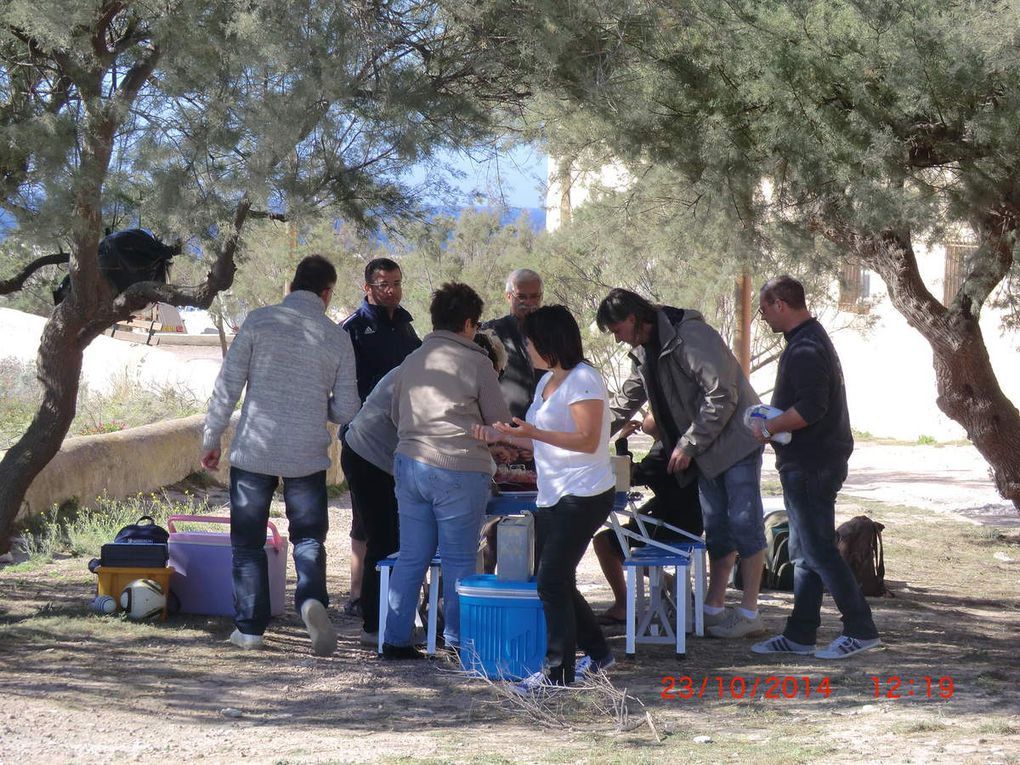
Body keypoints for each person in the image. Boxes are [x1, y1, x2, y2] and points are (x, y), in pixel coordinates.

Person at [201, 255, 359, 655]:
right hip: (306, 453)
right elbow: (346, 410)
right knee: (308, 538)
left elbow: (228, 384)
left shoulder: (258, 321)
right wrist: (310, 404)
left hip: (255, 450)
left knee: (248, 543)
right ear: (326, 293)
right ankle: (310, 602)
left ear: (291, 286)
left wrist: (211, 437)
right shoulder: (337, 337)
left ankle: (250, 630)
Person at [596, 288, 767, 639]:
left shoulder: (690, 335)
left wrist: (689, 443)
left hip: (735, 442)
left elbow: (722, 392)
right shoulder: (645, 351)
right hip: (707, 450)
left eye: (616, 329)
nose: (617, 338)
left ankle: (750, 611)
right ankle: (714, 608)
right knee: (717, 527)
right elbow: (627, 400)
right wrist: (590, 435)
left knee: (744, 522)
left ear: (633, 318)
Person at [475, 305, 617, 690]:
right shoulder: (546, 382)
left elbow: (588, 441)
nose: (527, 347)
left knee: (551, 581)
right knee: (556, 580)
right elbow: (534, 434)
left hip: (584, 493)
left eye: (532, 341)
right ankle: (599, 653)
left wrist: (534, 436)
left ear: (550, 341)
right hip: (552, 494)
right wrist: (502, 435)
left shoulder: (584, 380)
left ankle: (558, 672)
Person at [340, 330, 508, 647]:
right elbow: (450, 436)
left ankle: (397, 633)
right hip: (369, 453)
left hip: (398, 460)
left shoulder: (428, 364)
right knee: (386, 540)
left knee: (409, 552)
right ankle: (376, 626)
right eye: (497, 372)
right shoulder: (454, 370)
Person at [750, 276, 881, 659]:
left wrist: (768, 427)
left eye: (764, 310)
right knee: (803, 552)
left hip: (813, 465)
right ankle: (800, 635)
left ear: (779, 304)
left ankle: (861, 629)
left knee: (819, 550)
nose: (763, 318)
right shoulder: (806, 340)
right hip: (804, 463)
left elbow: (811, 408)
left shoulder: (807, 346)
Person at [381, 283, 511, 659]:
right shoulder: (477, 362)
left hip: (410, 464)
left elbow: (395, 415)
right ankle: (457, 641)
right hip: (458, 469)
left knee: (412, 556)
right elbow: (500, 422)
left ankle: (395, 639)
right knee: (458, 559)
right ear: (469, 323)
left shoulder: (411, 360)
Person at [341, 257, 421, 618]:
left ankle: (388, 592)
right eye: (383, 285)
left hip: (402, 436)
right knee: (365, 519)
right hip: (363, 435)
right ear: (367, 288)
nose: (391, 291)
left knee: (395, 519)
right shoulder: (353, 329)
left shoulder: (406, 326)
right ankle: (359, 593)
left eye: (397, 284)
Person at [592, 414, 704, 625]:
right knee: (623, 540)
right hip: (684, 520)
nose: (645, 415)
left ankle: (623, 606)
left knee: (605, 542)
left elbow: (629, 477)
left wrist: (621, 441)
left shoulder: (665, 449)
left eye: (650, 411)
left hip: (675, 524)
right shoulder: (674, 443)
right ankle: (669, 582)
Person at [482, 268, 545, 421]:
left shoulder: (554, 329)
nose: (529, 303)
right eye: (522, 297)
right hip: (509, 427)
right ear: (508, 296)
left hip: (548, 426)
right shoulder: (491, 331)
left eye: (535, 296)